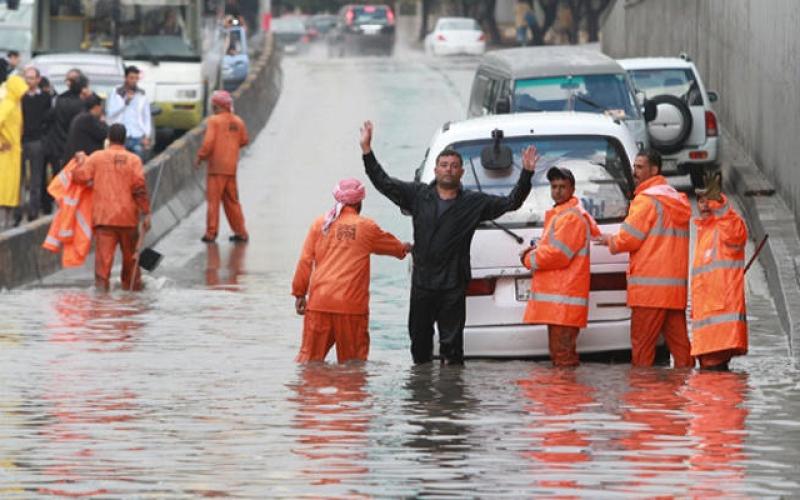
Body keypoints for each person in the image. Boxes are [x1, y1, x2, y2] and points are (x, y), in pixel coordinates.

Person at [360, 120, 536, 365]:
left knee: (452, 347)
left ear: (461, 172)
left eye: (454, 166)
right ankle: (421, 386)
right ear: (436, 170)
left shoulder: (474, 203)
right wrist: (367, 151)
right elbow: (384, 183)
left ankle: (451, 388)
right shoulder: (418, 195)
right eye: (444, 165)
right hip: (422, 283)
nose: (449, 170)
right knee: (419, 342)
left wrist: (526, 174)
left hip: (453, 284)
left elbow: (511, 203)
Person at [292, 178, 411, 363]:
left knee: (309, 363)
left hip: (319, 304)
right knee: (353, 365)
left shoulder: (320, 224)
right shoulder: (367, 227)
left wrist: (299, 293)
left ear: (337, 198)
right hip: (351, 306)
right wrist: (407, 248)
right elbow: (395, 248)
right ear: (360, 201)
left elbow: (305, 261)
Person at [595, 149, 693, 368]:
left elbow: (628, 239)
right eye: (634, 167)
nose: (634, 172)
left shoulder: (646, 201)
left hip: (649, 292)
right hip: (673, 291)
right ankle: (687, 387)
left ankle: (642, 390)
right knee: (682, 351)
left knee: (642, 351)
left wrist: (610, 240)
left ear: (654, 170)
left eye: (640, 167)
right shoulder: (676, 200)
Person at [520, 167, 600, 367]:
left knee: (562, 356)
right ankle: (565, 387)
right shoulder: (563, 215)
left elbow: (558, 255)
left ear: (572, 189)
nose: (557, 191)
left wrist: (529, 258)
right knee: (562, 355)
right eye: (554, 186)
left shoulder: (570, 217)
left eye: (562, 186)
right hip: (561, 301)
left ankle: (565, 387)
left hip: (564, 300)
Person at [72, 124, 151, 291]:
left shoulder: (96, 157)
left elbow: (79, 177)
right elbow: (139, 188)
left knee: (103, 269)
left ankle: (101, 300)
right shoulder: (134, 160)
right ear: (125, 139)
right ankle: (132, 299)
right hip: (128, 220)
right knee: (132, 267)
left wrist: (80, 160)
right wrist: (146, 214)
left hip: (104, 220)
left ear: (108, 138)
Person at [690, 172, 748, 370]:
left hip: (720, 332)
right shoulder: (705, 231)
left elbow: (734, 230)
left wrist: (718, 203)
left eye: (709, 201)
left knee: (714, 380)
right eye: (701, 201)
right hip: (709, 332)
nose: (705, 205)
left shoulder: (726, 227)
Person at [194, 90, 249, 243]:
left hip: (216, 168)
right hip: (231, 168)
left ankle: (211, 233)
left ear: (217, 105)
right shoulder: (238, 121)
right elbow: (244, 140)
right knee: (232, 202)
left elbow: (208, 143)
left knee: (213, 202)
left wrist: (200, 156)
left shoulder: (214, 121)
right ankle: (241, 232)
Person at [15, 66, 51, 224]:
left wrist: (44, 139)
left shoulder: (45, 97)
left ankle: (33, 211)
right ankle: (17, 212)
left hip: (37, 140)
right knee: (19, 179)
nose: (28, 81)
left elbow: (49, 119)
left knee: (36, 179)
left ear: (38, 79)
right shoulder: (19, 97)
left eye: (31, 78)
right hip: (20, 140)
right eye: (26, 77)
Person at [106, 66, 151, 160]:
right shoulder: (117, 92)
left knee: (137, 162)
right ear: (125, 78)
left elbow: (146, 116)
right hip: (120, 136)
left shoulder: (141, 94)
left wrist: (147, 135)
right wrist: (125, 102)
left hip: (137, 135)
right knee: (120, 162)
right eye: (131, 78)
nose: (134, 81)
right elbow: (111, 113)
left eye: (136, 78)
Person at [0, 75, 26, 229]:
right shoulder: (7, 105)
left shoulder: (15, 105)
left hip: (14, 152)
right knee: (4, 185)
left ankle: (7, 220)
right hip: (5, 154)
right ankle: (3, 220)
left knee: (11, 186)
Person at [64, 93, 108, 162]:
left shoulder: (80, 116)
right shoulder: (88, 119)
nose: (102, 110)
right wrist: (103, 121)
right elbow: (104, 133)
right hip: (82, 161)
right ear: (96, 107)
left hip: (76, 159)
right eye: (101, 107)